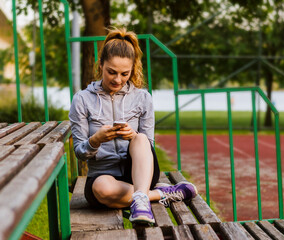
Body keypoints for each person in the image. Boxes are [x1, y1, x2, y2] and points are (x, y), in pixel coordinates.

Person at [69, 27, 197, 225]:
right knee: (102, 190)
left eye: (124, 73)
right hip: (103, 176)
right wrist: (96, 140)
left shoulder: (142, 98)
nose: (117, 79)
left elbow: (149, 145)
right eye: (111, 72)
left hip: (139, 173)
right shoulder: (82, 100)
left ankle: (141, 194)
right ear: (100, 64)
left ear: (132, 69)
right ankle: (155, 195)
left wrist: (132, 136)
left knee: (141, 138)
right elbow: (79, 152)